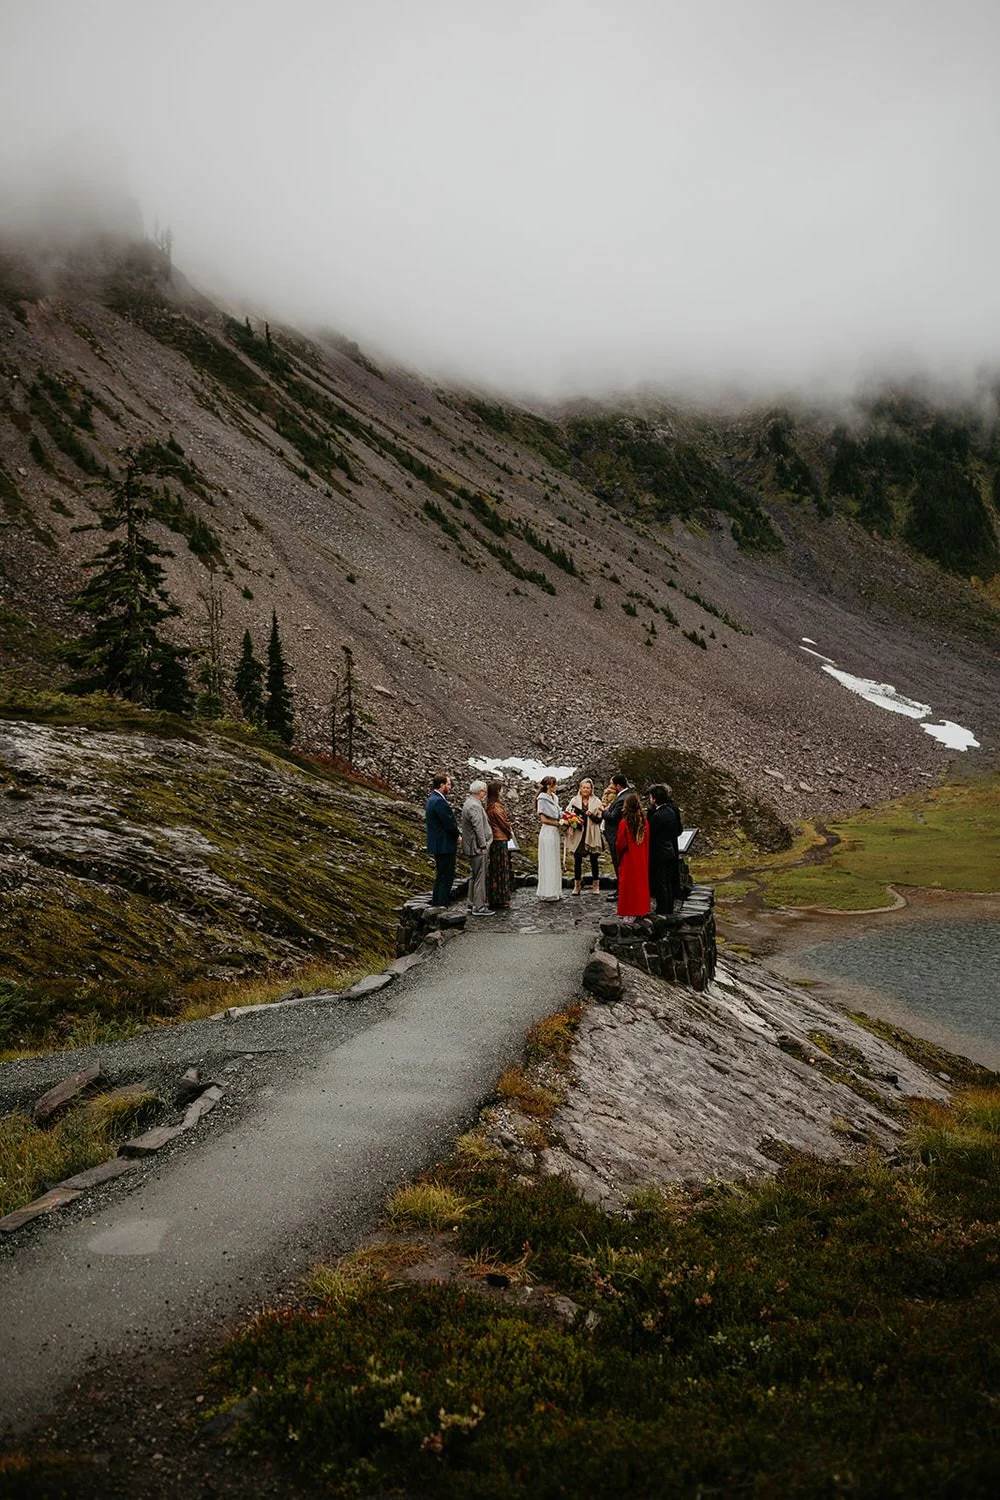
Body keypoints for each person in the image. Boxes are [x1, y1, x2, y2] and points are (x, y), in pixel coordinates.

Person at [647, 783, 683, 915]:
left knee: (660, 882)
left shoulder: (657, 816)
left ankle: (662, 909)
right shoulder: (671, 811)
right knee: (667, 881)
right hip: (670, 850)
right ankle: (669, 907)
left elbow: (651, 834)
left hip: (659, 852)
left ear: (655, 799)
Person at [564, 777, 604, 894]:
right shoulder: (574, 800)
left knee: (594, 859)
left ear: (591, 789)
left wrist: (591, 815)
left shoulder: (597, 801)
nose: (585, 789)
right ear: (580, 788)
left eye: (588, 787)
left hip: (592, 833)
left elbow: (599, 819)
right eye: (583, 787)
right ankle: (577, 885)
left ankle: (596, 885)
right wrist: (573, 818)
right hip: (578, 833)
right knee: (577, 859)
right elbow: (568, 813)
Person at [425, 772, 459, 907]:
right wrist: (457, 835)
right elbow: (448, 822)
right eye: (448, 784)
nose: (450, 787)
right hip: (444, 844)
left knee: (440, 875)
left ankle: (437, 901)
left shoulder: (432, 799)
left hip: (437, 844)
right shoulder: (439, 801)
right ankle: (442, 903)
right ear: (441, 785)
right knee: (446, 874)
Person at [615, 792, 650, 920]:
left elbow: (620, 843)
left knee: (628, 886)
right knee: (640, 885)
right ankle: (642, 909)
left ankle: (629, 911)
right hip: (641, 857)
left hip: (628, 858)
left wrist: (619, 855)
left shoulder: (624, 823)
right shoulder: (644, 822)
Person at [460, 779, 493, 915]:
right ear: (480, 792)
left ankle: (471, 902)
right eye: (484, 791)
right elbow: (478, 827)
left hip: (474, 846)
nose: (485, 794)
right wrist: (483, 845)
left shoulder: (470, 803)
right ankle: (479, 906)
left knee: (474, 875)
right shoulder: (475, 806)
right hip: (477, 847)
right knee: (480, 876)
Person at [485, 780, 514, 911]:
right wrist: (509, 833)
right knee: (501, 869)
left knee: (495, 870)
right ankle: (501, 898)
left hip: (494, 839)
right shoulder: (496, 807)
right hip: (500, 839)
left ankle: (494, 896)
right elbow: (504, 823)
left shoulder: (489, 806)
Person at [536, 775, 563, 902]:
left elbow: (559, 813)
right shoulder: (542, 799)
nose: (557, 787)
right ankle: (547, 891)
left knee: (554, 859)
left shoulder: (555, 798)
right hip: (547, 831)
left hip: (555, 832)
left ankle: (555, 890)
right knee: (548, 860)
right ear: (549, 786)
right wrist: (558, 824)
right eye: (555, 785)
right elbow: (543, 819)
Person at [602, 772, 631, 880]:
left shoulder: (622, 799)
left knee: (618, 862)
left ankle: (621, 887)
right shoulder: (624, 796)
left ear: (618, 786)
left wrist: (604, 811)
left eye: (612, 784)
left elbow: (614, 817)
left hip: (616, 835)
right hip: (617, 835)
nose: (610, 787)